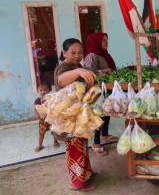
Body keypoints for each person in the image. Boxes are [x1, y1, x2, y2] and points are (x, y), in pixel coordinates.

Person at [53, 38, 97, 192]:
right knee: (74, 148)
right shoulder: (63, 67)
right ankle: (77, 183)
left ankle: (86, 174)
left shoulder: (77, 66)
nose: (77, 55)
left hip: (79, 115)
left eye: (80, 52)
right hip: (68, 118)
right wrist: (79, 71)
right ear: (64, 53)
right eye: (73, 52)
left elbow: (83, 86)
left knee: (82, 145)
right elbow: (61, 80)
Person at [84, 33, 118, 156]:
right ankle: (96, 143)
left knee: (106, 112)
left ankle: (105, 135)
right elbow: (87, 73)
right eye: (103, 41)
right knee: (98, 115)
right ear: (96, 42)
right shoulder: (91, 56)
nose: (106, 43)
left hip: (106, 88)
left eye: (106, 40)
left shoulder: (104, 54)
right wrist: (104, 71)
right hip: (97, 91)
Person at [34, 82, 60, 152]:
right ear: (38, 91)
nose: (43, 92)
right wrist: (36, 115)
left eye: (45, 90)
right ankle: (40, 145)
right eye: (40, 90)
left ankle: (55, 141)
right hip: (42, 121)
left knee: (54, 131)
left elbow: (55, 107)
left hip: (52, 120)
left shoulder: (51, 99)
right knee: (41, 133)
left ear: (50, 90)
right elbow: (35, 108)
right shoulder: (37, 100)